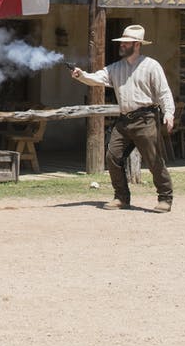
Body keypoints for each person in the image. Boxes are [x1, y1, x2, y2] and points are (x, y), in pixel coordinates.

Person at [70, 24, 176, 213]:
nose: (121, 46)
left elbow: (164, 93)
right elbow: (97, 78)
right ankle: (121, 197)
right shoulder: (115, 68)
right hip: (124, 120)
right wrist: (81, 75)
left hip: (146, 119)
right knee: (113, 156)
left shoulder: (152, 66)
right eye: (122, 42)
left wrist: (169, 113)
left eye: (125, 43)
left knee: (153, 159)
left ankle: (165, 198)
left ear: (136, 45)